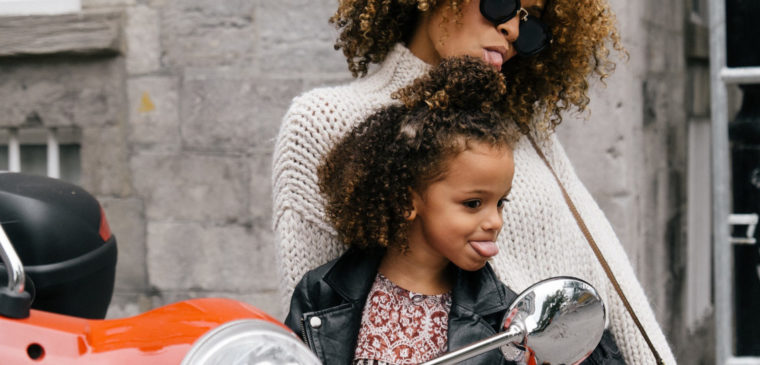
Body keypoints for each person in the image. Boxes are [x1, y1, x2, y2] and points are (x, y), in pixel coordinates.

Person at [272, 0, 677, 363]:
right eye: (501, 4)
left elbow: (609, 275)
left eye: (531, 22)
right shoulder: (326, 121)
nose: (514, 31)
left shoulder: (523, 127)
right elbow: (318, 327)